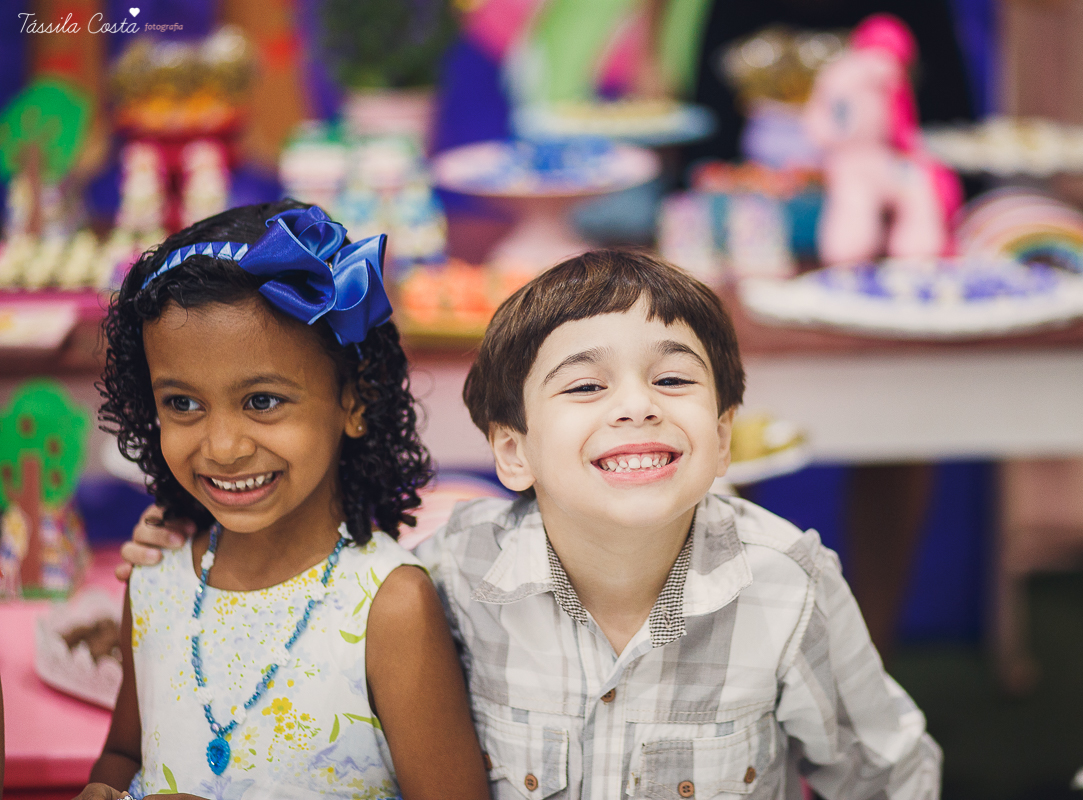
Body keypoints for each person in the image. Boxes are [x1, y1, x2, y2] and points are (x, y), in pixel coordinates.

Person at [124, 249, 939, 799]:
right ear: (512, 451)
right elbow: (319, 602)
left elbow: (888, 774)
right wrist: (189, 553)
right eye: (585, 387)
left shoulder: (785, 584)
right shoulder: (448, 575)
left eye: (673, 378)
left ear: (723, 435)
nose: (635, 404)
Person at [83, 201, 489, 800]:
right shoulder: (155, 578)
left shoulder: (389, 608)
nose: (222, 447)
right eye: (183, 404)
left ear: (354, 400)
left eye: (263, 401)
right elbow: (123, 753)